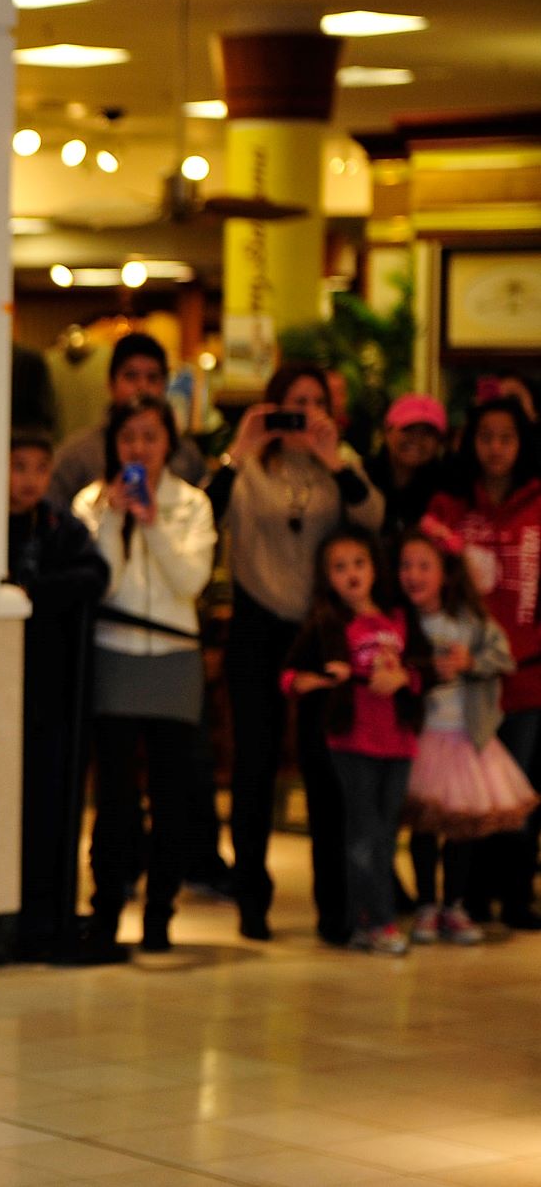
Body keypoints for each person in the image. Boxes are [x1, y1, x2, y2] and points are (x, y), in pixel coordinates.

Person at [206, 362, 385, 943]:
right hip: (256, 628)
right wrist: (239, 450)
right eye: (292, 402)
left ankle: (334, 907)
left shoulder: (341, 467)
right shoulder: (247, 470)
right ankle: (251, 899)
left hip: (319, 629)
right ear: (271, 406)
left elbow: (374, 522)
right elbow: (206, 515)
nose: (303, 414)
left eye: (314, 403)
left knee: (323, 767)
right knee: (253, 765)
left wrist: (335, 461)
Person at [73, 397, 216, 954]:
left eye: (150, 437)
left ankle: (160, 914)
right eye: (128, 437)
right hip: (114, 654)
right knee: (113, 799)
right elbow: (102, 585)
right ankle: (105, 910)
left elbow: (189, 582)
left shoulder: (192, 503)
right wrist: (113, 517)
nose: (139, 448)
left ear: (169, 443)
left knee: (172, 796)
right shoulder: (91, 502)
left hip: (175, 661)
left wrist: (153, 523)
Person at [281, 527, 427, 955]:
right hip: (352, 742)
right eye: (339, 567)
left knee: (384, 835)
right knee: (362, 835)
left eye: (359, 564)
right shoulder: (326, 623)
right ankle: (376, 920)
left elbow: (422, 668)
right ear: (327, 578)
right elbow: (289, 672)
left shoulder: (399, 618)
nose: (351, 575)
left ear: (375, 569)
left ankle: (369, 915)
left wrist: (404, 676)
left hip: (398, 742)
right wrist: (308, 682)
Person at [424, 397, 541, 929]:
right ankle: (461, 900)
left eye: (507, 437)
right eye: (486, 436)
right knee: (465, 798)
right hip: (461, 682)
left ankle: (515, 898)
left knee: (516, 797)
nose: (496, 448)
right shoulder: (449, 507)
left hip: (526, 676)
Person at [396, 526, 538, 944]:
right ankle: (425, 903)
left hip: (464, 740)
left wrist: (470, 661)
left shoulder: (471, 621)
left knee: (460, 828)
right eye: (406, 565)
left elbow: (503, 657)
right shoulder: (403, 622)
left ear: (446, 572)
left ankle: (453, 905)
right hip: (422, 740)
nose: (413, 574)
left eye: (424, 565)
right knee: (424, 825)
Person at [7, 428, 109, 962]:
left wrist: (36, 594)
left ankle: (50, 915)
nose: (28, 481)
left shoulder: (59, 526)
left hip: (53, 686)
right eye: (17, 467)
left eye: (38, 470)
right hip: (0, 688)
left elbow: (96, 575)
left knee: (52, 798)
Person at [46, 332, 207, 512]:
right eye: (131, 376)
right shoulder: (76, 456)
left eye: (152, 378)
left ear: (164, 386)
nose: (142, 386)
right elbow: (52, 524)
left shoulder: (185, 454)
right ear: (110, 384)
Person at [364, 394, 449, 537]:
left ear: (439, 443)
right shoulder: (363, 475)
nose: (417, 439)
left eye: (427, 433)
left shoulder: (446, 487)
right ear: (387, 431)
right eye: (408, 429)